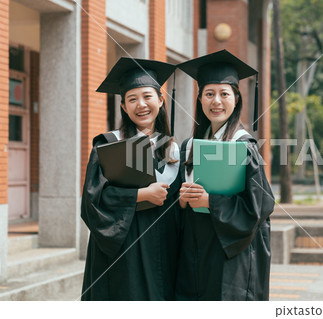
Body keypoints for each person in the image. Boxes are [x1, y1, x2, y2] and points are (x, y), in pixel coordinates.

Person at [175, 50, 274, 300]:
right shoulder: (189, 146)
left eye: (224, 94)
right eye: (209, 94)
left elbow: (260, 206)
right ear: (199, 99)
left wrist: (210, 202)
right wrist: (182, 201)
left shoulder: (244, 146)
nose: (216, 101)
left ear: (236, 99)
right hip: (194, 253)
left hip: (231, 256)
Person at [80, 57, 181, 300]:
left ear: (160, 100)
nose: (141, 105)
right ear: (124, 107)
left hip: (165, 251)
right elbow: (92, 202)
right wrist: (140, 195)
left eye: (147, 96)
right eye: (132, 99)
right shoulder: (109, 145)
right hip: (124, 253)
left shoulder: (174, 149)